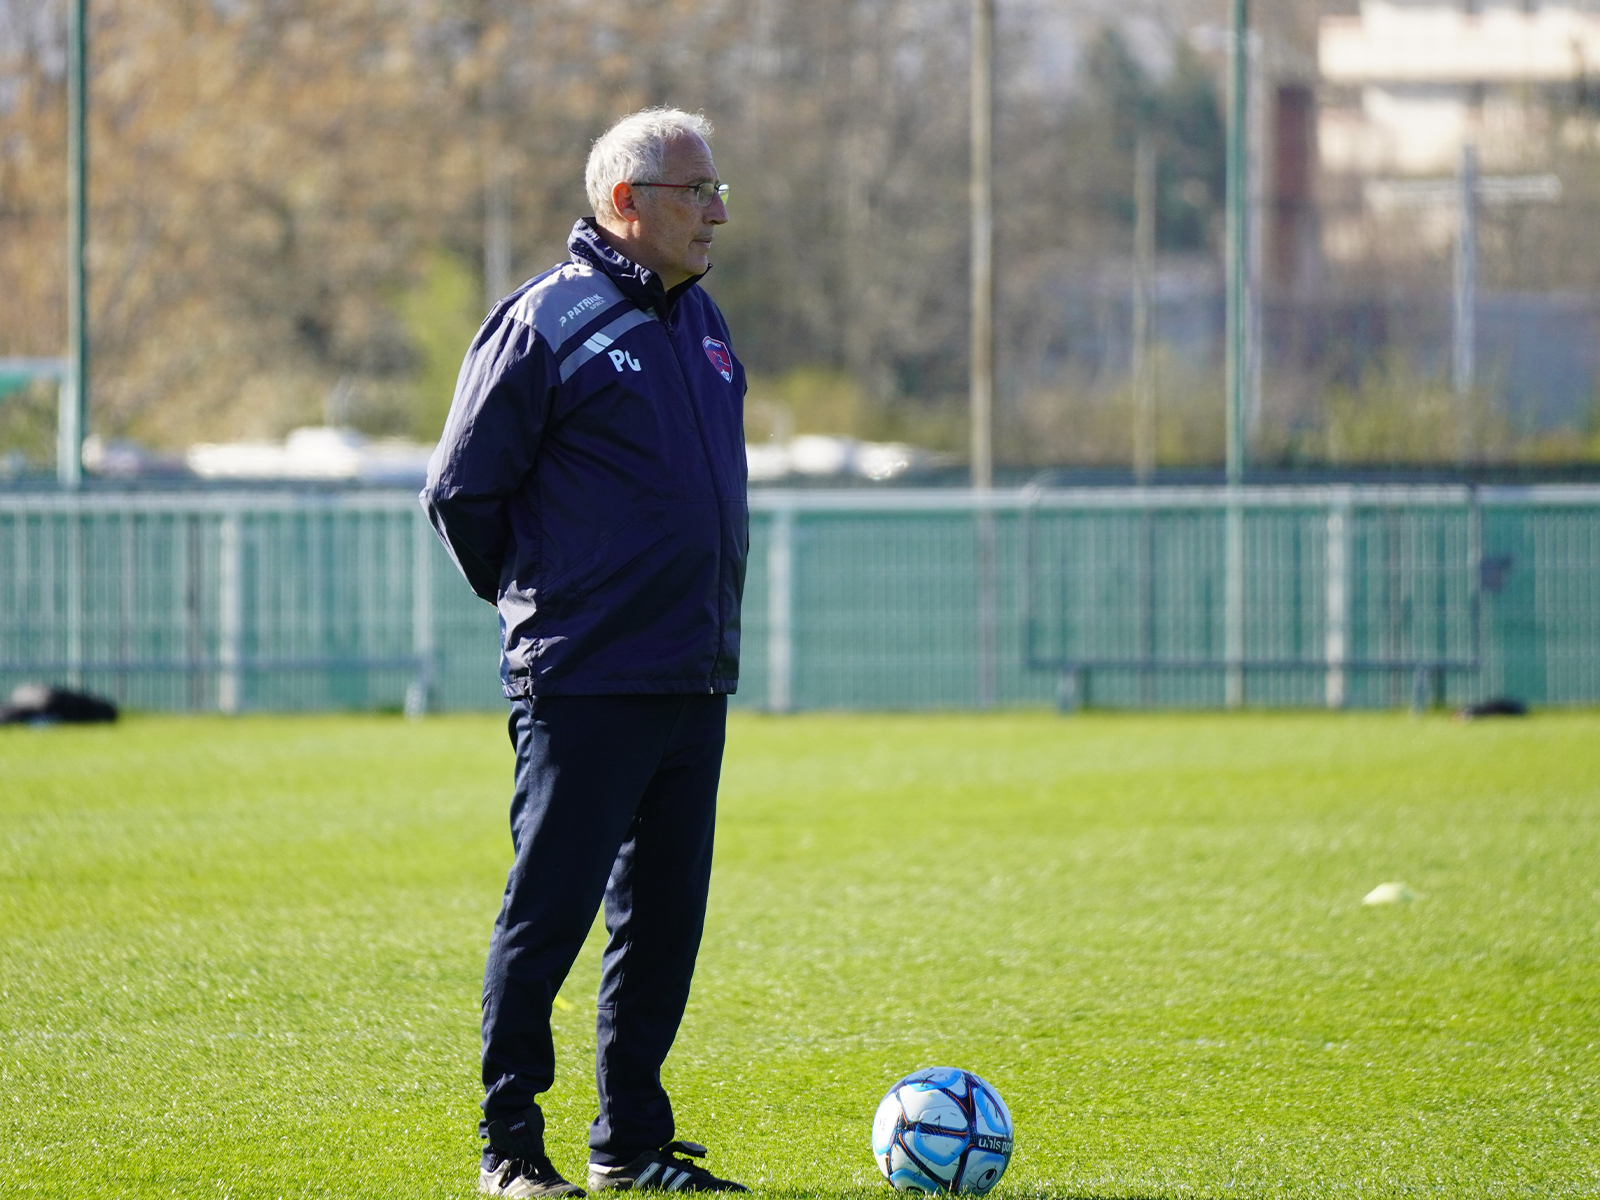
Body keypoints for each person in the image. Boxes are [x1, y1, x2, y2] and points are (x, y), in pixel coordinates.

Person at [420, 107, 750, 1198]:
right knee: (548, 916)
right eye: (696, 191)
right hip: (584, 676)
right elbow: (460, 491)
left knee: (662, 926)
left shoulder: (704, 322)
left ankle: (631, 1145)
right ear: (626, 202)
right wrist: (547, 605)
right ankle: (509, 1147)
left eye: (716, 191)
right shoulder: (543, 321)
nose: (714, 212)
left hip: (691, 672)